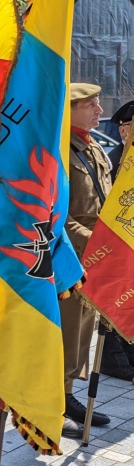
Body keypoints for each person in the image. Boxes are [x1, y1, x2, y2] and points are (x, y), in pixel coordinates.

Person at [60, 82, 112, 438]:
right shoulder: (61, 152)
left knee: (82, 332)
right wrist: (95, 243)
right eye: (91, 104)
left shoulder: (93, 148)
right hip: (71, 257)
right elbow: (57, 214)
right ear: (70, 110)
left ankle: (66, 396)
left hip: (96, 257)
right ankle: (54, 402)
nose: (99, 110)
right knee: (66, 332)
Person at [97, 99, 134, 381]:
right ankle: (112, 357)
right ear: (124, 131)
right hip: (115, 240)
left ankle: (128, 351)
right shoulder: (114, 161)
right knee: (114, 298)